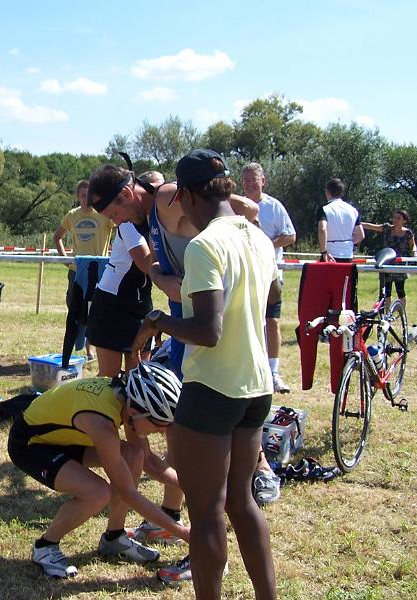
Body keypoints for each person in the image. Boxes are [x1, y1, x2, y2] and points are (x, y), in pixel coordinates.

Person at [131, 149, 279, 600]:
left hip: (213, 388)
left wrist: (158, 321)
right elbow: (270, 300)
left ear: (191, 195)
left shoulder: (204, 246)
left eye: (182, 203)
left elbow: (207, 330)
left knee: (207, 511)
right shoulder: (257, 238)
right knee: (242, 502)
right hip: (256, 388)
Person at [7, 362, 189, 578]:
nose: (161, 431)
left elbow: (148, 461)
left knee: (134, 455)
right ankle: (45, 546)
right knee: (97, 493)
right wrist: (185, 534)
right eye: (159, 423)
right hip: (30, 443)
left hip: (65, 436)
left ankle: (114, 538)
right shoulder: (102, 422)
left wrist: (196, 490)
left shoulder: (128, 402)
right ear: (136, 411)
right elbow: (128, 492)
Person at [240, 163, 295, 395]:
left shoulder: (274, 207)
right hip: (243, 274)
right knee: (244, 321)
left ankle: (273, 372)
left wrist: (266, 244)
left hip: (271, 274)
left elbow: (290, 235)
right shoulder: (236, 206)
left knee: (271, 322)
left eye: (255, 180)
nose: (251, 184)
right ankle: (246, 369)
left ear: (263, 181)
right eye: (246, 181)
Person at [86, 208, 153, 377]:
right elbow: (146, 264)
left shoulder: (163, 224)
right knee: (109, 378)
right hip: (112, 305)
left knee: (139, 378)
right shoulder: (127, 223)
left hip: (141, 305)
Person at [54, 180, 114, 359]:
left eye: (89, 195)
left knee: (95, 311)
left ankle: (91, 347)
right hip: (76, 271)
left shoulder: (104, 215)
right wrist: (64, 259)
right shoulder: (72, 215)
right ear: (77, 197)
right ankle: (73, 344)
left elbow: (122, 229)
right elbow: (57, 237)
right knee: (74, 308)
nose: (86, 199)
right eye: (82, 195)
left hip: (99, 271)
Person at [361, 209, 417, 308]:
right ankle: (386, 313)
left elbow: (413, 245)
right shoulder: (387, 228)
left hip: (400, 266)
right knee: (386, 292)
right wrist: (357, 223)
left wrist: (414, 254)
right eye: (394, 217)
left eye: (398, 218)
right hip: (386, 263)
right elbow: (371, 226)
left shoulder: (408, 233)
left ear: (404, 221)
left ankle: (401, 313)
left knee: (401, 291)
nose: (395, 220)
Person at [318, 178, 364, 262]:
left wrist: (324, 252)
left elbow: (322, 229)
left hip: (330, 254)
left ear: (327, 192)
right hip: (347, 254)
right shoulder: (353, 210)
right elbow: (360, 235)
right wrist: (347, 244)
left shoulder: (325, 209)